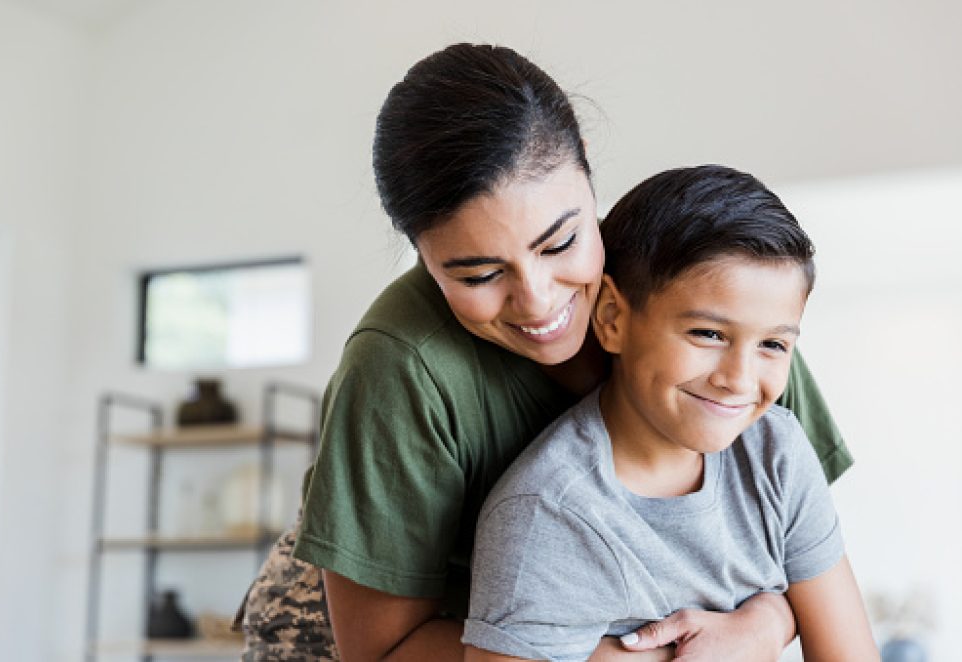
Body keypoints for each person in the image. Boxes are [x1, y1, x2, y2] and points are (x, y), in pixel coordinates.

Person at [237, 44, 853, 661]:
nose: (537, 302)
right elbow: (382, 650)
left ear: (586, 172)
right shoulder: (401, 366)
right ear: (422, 258)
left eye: (560, 242)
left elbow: (797, 545)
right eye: (479, 275)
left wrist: (764, 623)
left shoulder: (710, 310)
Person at [462, 165, 878, 662]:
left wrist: (771, 620)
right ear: (612, 318)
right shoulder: (547, 516)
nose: (739, 379)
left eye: (772, 344)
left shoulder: (776, 453)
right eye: (708, 334)